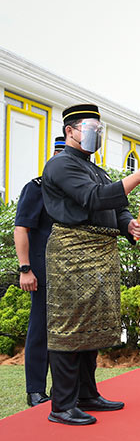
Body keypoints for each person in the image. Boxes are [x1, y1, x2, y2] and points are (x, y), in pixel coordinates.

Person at [41, 104, 140, 425]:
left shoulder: (96, 168)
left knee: (91, 327)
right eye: (92, 130)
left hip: (101, 252)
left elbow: (114, 206)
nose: (98, 136)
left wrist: (129, 226)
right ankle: (62, 404)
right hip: (72, 254)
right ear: (71, 132)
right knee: (71, 326)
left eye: (100, 131)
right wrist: (137, 177)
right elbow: (93, 198)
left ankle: (87, 394)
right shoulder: (61, 165)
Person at [14, 136, 66, 407]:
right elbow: (21, 228)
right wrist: (25, 269)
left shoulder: (72, 189)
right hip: (42, 271)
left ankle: (64, 388)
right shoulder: (36, 187)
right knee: (40, 330)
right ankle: (35, 389)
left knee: (67, 333)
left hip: (69, 272)